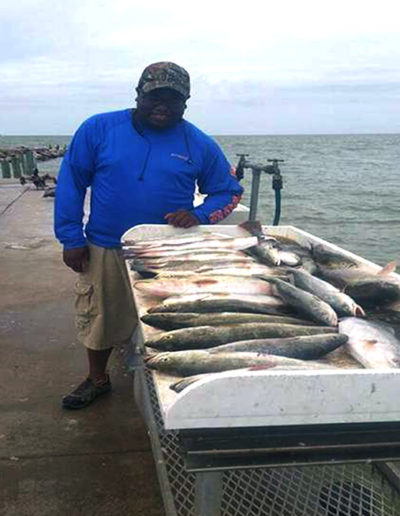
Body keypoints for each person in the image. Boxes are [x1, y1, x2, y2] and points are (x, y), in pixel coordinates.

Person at [55, 61, 243, 409]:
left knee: (170, 321)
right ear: (139, 94)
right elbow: (71, 182)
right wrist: (71, 237)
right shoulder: (98, 128)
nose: (163, 105)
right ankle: (97, 378)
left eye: (173, 99)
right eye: (155, 96)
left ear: (185, 104)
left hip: (170, 252)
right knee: (99, 315)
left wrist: (199, 214)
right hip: (106, 245)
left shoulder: (198, 142)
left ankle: (166, 382)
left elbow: (228, 191)